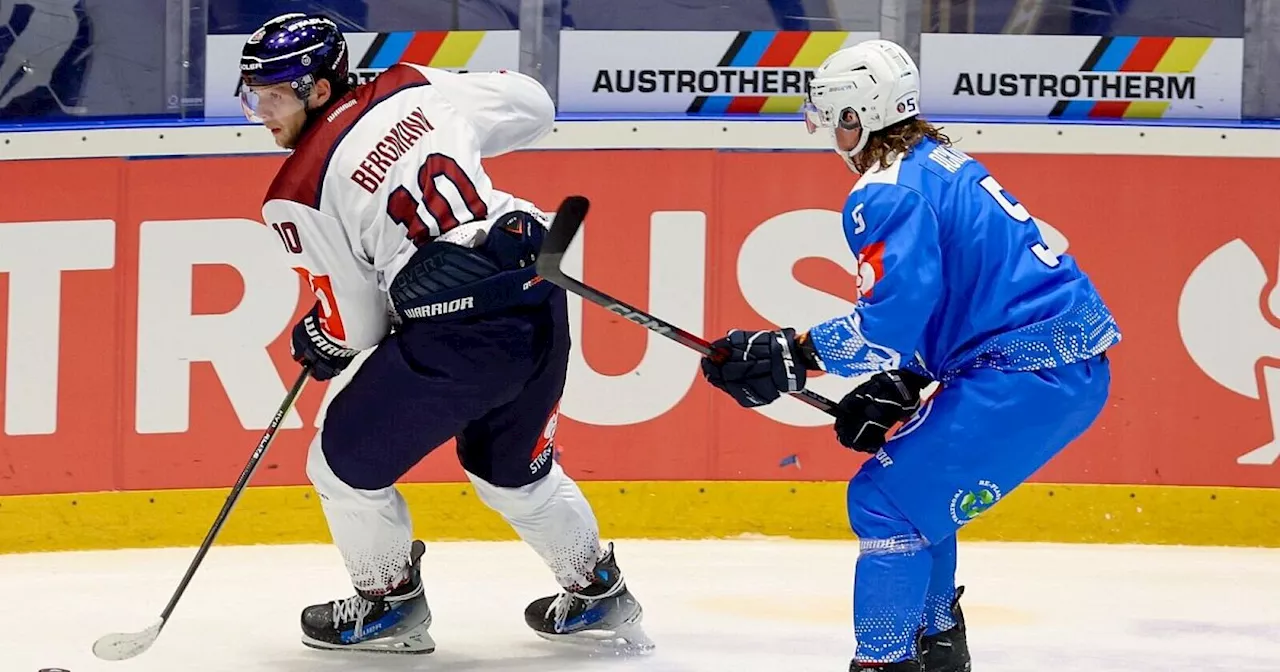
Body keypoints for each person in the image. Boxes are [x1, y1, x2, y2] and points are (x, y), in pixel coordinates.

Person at [698, 40, 1120, 671]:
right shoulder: (938, 161)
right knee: (916, 492)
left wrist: (790, 353)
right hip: (1049, 363)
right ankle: (938, 642)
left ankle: (888, 662)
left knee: (884, 501)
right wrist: (909, 376)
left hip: (1025, 373)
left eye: (829, 117)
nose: (826, 132)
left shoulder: (886, 193)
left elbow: (885, 324)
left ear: (853, 119)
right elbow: (957, 290)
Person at [237, 13, 650, 655]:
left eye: (274, 95)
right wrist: (448, 125)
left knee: (341, 467)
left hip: (459, 331)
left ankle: (386, 605)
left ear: (320, 90)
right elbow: (534, 106)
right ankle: (598, 593)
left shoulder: (295, 192)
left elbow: (360, 321)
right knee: (513, 471)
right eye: (252, 93)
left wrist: (322, 338)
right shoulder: (409, 86)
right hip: (536, 285)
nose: (259, 110)